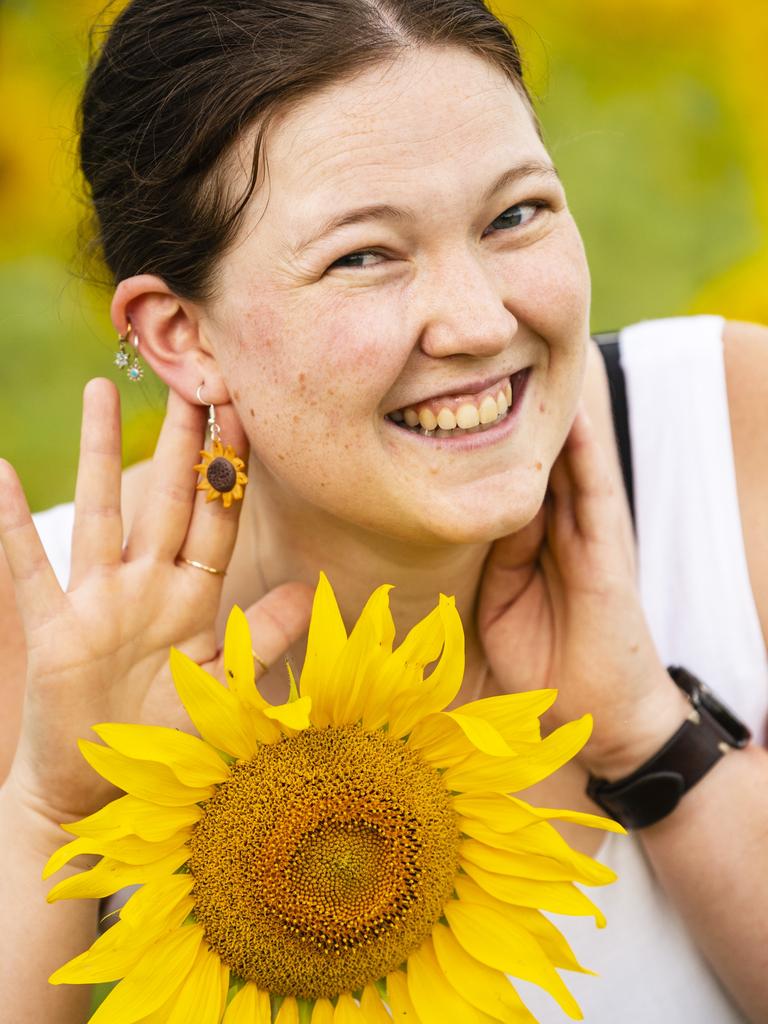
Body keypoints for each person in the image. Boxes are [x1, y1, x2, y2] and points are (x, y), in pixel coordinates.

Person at [0, 1, 766, 1021]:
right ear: (181, 334)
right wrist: (55, 815)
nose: (482, 321)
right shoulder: (38, 637)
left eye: (517, 214)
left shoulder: (724, 445)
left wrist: (651, 737)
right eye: (365, 257)